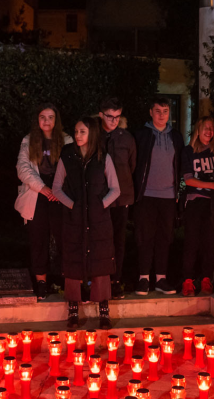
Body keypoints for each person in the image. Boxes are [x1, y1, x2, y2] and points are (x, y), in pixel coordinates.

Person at [52, 116, 120, 329]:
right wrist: (72, 205)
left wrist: (101, 204)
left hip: (99, 220)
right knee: (73, 261)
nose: (78, 135)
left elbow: (115, 189)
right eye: (76, 131)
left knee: (100, 261)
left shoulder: (102, 156)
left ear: (91, 133)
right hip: (74, 220)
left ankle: (103, 309)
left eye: (82, 131)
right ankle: (73, 309)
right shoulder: (67, 155)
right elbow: (56, 188)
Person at [15, 104, 72, 298]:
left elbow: (72, 168)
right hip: (37, 193)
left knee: (65, 238)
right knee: (38, 240)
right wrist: (43, 188)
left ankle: (69, 280)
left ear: (56, 120)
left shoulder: (66, 140)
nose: (46, 121)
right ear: (37, 120)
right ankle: (41, 282)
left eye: (50, 117)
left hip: (60, 194)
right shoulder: (29, 141)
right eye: (42, 117)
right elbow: (23, 168)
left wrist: (57, 188)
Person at [132, 97, 184, 295]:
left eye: (165, 111)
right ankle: (143, 278)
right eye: (158, 111)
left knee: (165, 237)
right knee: (145, 237)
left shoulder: (176, 137)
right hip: (146, 195)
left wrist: (179, 192)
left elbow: (180, 167)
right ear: (150, 113)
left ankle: (161, 279)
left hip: (169, 196)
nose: (162, 115)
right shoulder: (141, 135)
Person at [180, 116, 214, 296]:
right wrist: (212, 185)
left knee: (210, 241)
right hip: (195, 201)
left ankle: (206, 279)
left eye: (212, 128)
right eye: (206, 127)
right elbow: (189, 180)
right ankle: (187, 280)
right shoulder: (188, 151)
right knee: (192, 241)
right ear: (198, 130)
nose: (209, 131)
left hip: (212, 202)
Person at [98, 97, 137, 298]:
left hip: (121, 197)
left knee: (118, 241)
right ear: (101, 115)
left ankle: (116, 280)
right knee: (100, 240)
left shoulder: (127, 138)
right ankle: (99, 281)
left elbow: (131, 166)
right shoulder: (94, 136)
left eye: (117, 117)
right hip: (100, 198)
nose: (113, 120)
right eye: (109, 116)